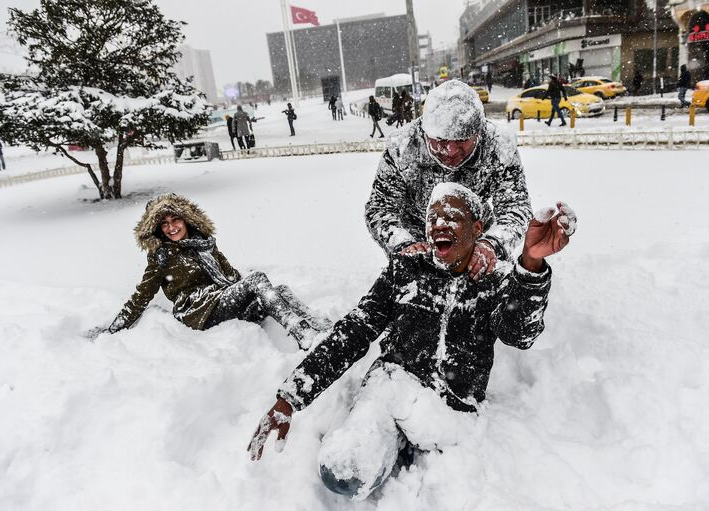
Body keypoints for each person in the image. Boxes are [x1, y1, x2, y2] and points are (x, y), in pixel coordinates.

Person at [248, 183, 577, 500]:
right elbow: (354, 330)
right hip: (390, 391)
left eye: (452, 217)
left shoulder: (495, 278)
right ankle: (386, 441)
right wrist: (290, 397)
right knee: (343, 472)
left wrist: (531, 264)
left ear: (477, 228)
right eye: (433, 217)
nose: (439, 224)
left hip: (451, 413)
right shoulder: (404, 269)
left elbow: (520, 335)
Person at [102, 194, 330, 347]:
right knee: (258, 280)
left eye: (175, 220)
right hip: (197, 311)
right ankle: (304, 335)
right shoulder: (161, 255)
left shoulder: (204, 244)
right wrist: (112, 330)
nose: (171, 227)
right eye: (164, 224)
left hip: (221, 300)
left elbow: (230, 276)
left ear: (186, 219)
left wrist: (246, 288)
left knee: (280, 290)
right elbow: (141, 295)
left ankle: (321, 326)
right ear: (158, 229)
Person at [364, 79, 532, 282]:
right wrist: (403, 244)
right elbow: (380, 208)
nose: (451, 151)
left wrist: (492, 244)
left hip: (471, 230)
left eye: (461, 140)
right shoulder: (402, 147)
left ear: (479, 133)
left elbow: (516, 207)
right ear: (425, 132)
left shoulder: (499, 146)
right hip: (417, 231)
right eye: (441, 140)